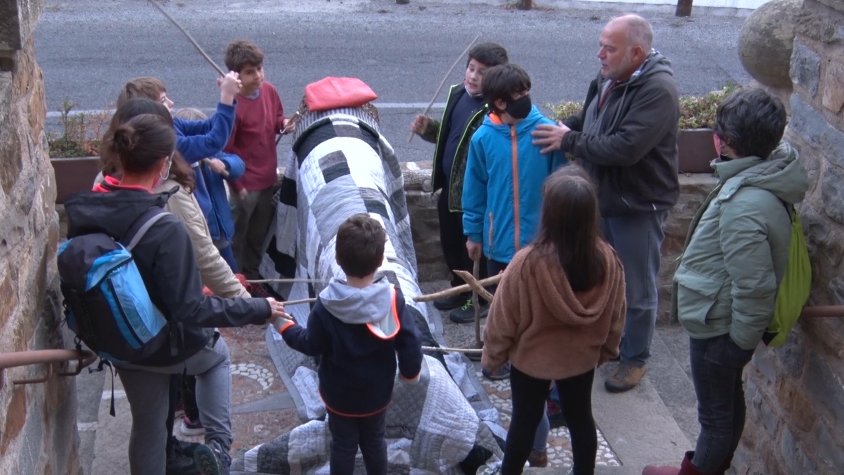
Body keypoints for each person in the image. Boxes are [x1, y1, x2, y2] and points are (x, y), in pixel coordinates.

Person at [66, 108, 287, 475]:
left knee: (150, 427)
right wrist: (259, 309)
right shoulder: (164, 226)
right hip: (162, 339)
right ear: (165, 163)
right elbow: (192, 310)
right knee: (216, 356)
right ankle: (218, 451)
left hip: (118, 340)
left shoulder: (90, 203)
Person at [643, 89, 808, 475]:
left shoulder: (745, 206)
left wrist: (737, 344)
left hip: (720, 330)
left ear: (724, 141)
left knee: (715, 418)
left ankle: (698, 470)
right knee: (727, 408)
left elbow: (755, 287)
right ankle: (708, 466)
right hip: (722, 322)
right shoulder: (764, 173)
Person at [532, 13, 680, 393]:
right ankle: (608, 343)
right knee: (599, 275)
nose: (599, 54)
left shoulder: (657, 90)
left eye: (609, 48)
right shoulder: (610, 76)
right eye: (600, 44)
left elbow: (625, 148)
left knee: (637, 287)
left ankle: (635, 359)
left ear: (637, 52)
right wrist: (567, 125)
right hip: (604, 198)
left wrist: (568, 141)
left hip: (637, 205)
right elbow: (592, 119)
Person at [481, 166, 626, 475]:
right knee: (581, 419)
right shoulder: (609, 260)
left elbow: (503, 319)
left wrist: (492, 357)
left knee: (524, 421)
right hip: (580, 359)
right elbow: (617, 313)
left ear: (550, 213)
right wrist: (607, 351)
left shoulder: (526, 263)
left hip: (532, 360)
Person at [276, 214, 423, 475]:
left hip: (339, 396)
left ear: (339, 260)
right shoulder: (392, 300)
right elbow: (410, 342)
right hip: (377, 393)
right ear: (379, 261)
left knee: (343, 446)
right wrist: (411, 373)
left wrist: (283, 324)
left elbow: (310, 343)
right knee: (375, 442)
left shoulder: (326, 305)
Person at [410, 42, 509, 324]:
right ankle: (458, 286)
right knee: (451, 244)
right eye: (471, 68)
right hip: (448, 191)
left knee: (472, 251)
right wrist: (428, 129)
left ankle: (477, 296)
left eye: (482, 72)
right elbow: (449, 133)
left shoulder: (494, 110)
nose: (473, 76)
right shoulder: (458, 95)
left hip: (473, 196)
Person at [223, 39, 291, 281]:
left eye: (259, 69)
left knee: (257, 235)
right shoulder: (232, 107)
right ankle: (234, 279)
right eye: (250, 72)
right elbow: (225, 152)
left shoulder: (270, 91)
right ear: (236, 76)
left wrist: (283, 125)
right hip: (244, 186)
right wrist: (237, 186)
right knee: (236, 237)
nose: (258, 76)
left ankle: (251, 276)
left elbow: (277, 118)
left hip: (266, 179)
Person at [174, 107, 246, 272]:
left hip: (223, 235)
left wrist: (225, 164)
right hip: (203, 238)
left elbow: (239, 165)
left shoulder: (212, 155)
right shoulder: (179, 168)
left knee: (232, 274)